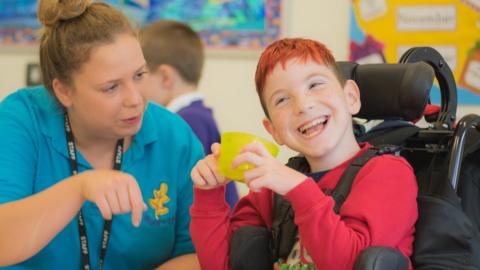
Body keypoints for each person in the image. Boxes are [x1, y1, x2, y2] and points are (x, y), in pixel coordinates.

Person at [0, 1, 203, 269]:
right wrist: (78, 188)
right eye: (111, 87)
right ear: (64, 92)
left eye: (140, 75)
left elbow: (199, 255)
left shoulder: (175, 138)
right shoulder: (21, 119)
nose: (135, 100)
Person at [189, 38, 418, 269]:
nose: (302, 105)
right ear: (273, 130)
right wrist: (209, 195)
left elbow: (350, 263)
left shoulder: (389, 173)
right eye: (282, 99)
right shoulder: (270, 192)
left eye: (315, 85)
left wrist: (299, 190)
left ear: (351, 97)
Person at [139, 20, 239, 209]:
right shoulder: (196, 115)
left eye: (139, 75)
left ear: (166, 77)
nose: (135, 88)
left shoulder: (187, 122)